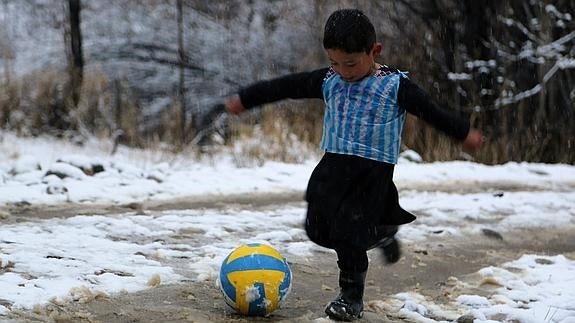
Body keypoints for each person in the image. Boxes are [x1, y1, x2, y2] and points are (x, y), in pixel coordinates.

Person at [225, 8, 484, 321]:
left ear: (374, 51)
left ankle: (351, 296)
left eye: (350, 63)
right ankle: (382, 230)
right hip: (333, 165)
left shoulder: (394, 86)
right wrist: (247, 98)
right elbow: (285, 86)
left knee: (348, 233)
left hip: (371, 173)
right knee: (317, 229)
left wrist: (462, 132)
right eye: (335, 62)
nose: (342, 71)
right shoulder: (329, 80)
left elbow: (431, 111)